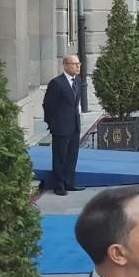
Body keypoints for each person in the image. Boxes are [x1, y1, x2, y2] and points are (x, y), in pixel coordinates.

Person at [43, 54, 83, 196]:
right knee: (60, 157)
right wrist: (52, 123)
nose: (78, 66)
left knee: (72, 156)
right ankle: (58, 185)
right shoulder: (57, 83)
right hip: (61, 127)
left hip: (74, 126)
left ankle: (69, 182)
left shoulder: (77, 80)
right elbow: (48, 105)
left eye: (79, 63)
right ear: (65, 66)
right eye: (74, 64)